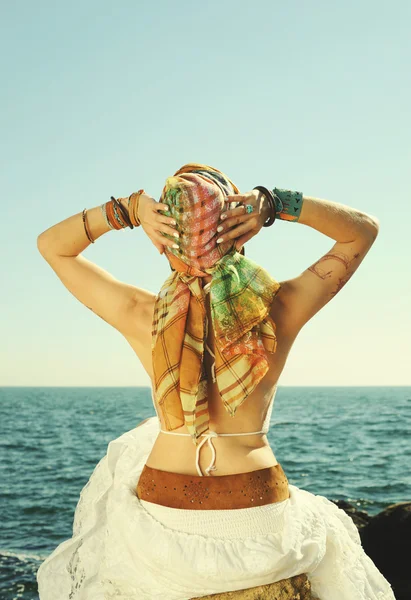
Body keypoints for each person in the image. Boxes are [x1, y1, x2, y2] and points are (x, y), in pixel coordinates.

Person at [36, 163, 395, 600]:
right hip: (259, 510)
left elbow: (53, 247)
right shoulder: (279, 308)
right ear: (239, 234)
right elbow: (363, 231)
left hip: (162, 515)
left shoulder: (139, 313)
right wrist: (276, 203)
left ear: (166, 243)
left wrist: (128, 211)